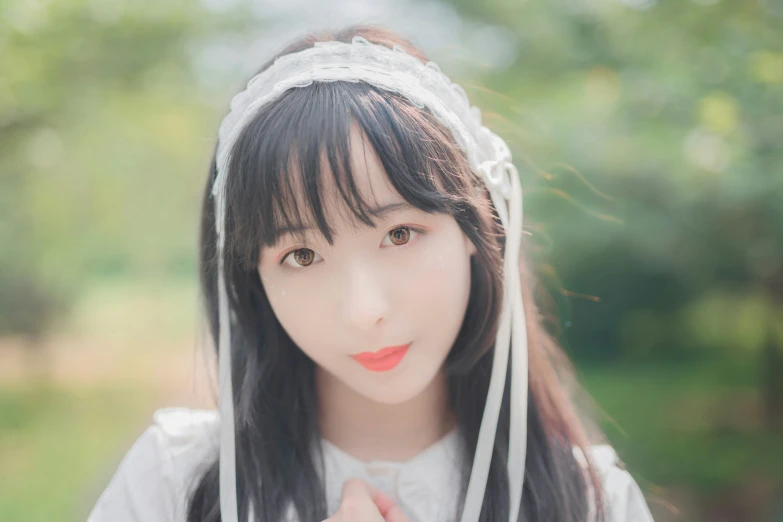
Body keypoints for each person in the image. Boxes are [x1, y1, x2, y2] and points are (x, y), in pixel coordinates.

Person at [86, 24, 655, 522]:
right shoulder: (175, 483)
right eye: (301, 256)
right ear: (250, 277)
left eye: (399, 234)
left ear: (478, 230)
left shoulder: (589, 501)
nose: (364, 311)